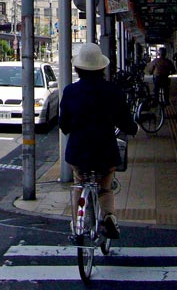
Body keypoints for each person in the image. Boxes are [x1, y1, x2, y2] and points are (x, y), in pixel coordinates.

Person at [59, 43, 140, 240]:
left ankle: (78, 222)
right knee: (105, 187)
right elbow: (126, 122)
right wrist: (134, 128)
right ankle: (109, 217)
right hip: (105, 152)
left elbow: (64, 125)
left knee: (80, 181)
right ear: (102, 68)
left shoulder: (70, 92)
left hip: (78, 153)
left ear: (78, 69)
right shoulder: (112, 91)